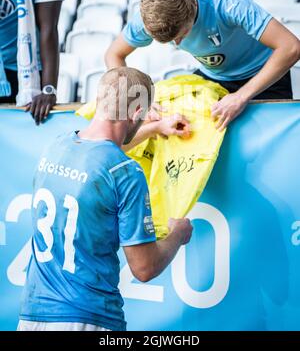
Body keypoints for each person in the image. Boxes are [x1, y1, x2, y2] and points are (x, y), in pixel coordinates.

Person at [18, 67, 193, 331]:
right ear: (137, 114)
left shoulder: (56, 146)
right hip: (88, 316)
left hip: (32, 313)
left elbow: (99, 157)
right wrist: (177, 235)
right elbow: (144, 268)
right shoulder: (126, 173)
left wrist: (155, 127)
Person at [105, 0, 300, 131]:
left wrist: (241, 96)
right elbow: (114, 54)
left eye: (181, 36)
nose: (177, 44)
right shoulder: (150, 16)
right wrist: (139, 98)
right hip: (214, 76)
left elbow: (291, 47)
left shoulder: (226, 1)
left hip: (263, 73)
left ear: (193, 14)